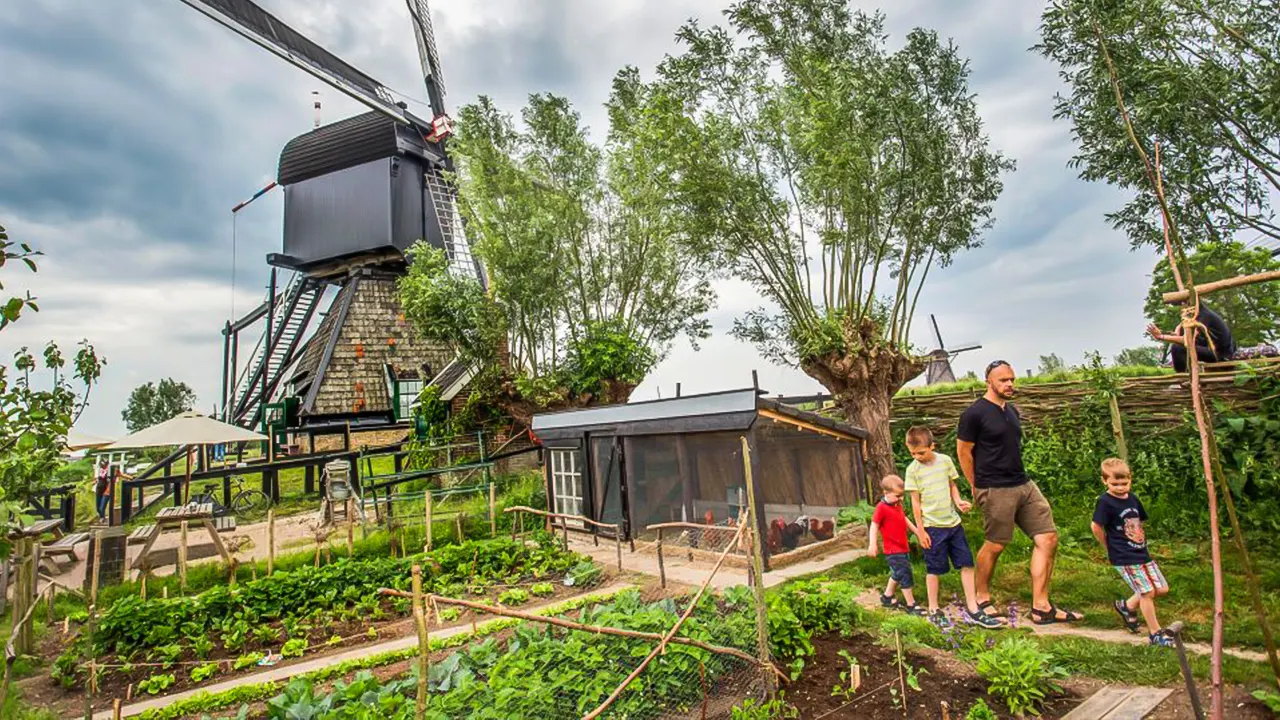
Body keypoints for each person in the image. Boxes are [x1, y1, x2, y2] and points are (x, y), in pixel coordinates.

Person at [956, 360, 1082, 625]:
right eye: (1003, 380)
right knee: (996, 543)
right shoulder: (974, 414)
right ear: (988, 382)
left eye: (1012, 379)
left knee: (1048, 538)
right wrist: (976, 484)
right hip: (994, 487)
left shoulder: (1011, 410)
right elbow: (964, 451)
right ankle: (981, 596)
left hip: (1023, 483)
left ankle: (1041, 606)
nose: (1010, 384)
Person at [903, 426, 1002, 629]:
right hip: (932, 527)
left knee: (967, 563)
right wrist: (920, 530)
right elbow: (915, 502)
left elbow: (952, 485)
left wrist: (958, 502)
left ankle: (973, 608)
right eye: (912, 453)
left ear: (932, 446)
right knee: (934, 569)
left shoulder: (945, 461)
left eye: (921, 452)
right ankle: (934, 609)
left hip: (953, 524)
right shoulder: (912, 470)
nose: (917, 457)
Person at [1091, 458, 1174, 648]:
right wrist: (1108, 546)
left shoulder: (1132, 498)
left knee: (1161, 589)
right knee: (1147, 593)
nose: (1120, 487)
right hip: (1123, 555)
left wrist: (1140, 542)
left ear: (1130, 479)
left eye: (1124, 483)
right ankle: (1156, 634)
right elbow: (1096, 526)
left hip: (1140, 551)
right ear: (1105, 481)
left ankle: (1126, 606)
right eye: (1115, 484)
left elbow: (1138, 521)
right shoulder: (1105, 502)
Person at [867, 475, 927, 615]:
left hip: (903, 547)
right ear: (886, 493)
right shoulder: (881, 508)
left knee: (897, 573)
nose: (901, 499)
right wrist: (872, 544)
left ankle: (887, 597)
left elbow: (904, 519)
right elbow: (874, 526)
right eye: (897, 496)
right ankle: (911, 604)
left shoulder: (897, 505)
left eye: (902, 496)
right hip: (893, 550)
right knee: (905, 574)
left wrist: (918, 532)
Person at [1147, 302, 1236, 373]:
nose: (1183, 310)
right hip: (1212, 350)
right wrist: (1176, 334)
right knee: (1179, 346)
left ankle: (1183, 378)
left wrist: (1161, 336)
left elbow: (1187, 341)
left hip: (1220, 355)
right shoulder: (1197, 316)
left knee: (1177, 348)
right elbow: (1187, 338)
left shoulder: (1204, 317)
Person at [93, 457, 112, 521]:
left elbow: (111, 480)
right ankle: (102, 517)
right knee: (98, 507)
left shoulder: (109, 471)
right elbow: (97, 479)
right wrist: (94, 482)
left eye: (104, 464)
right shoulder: (99, 471)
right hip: (99, 489)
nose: (102, 466)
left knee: (102, 507)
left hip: (106, 490)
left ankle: (102, 518)